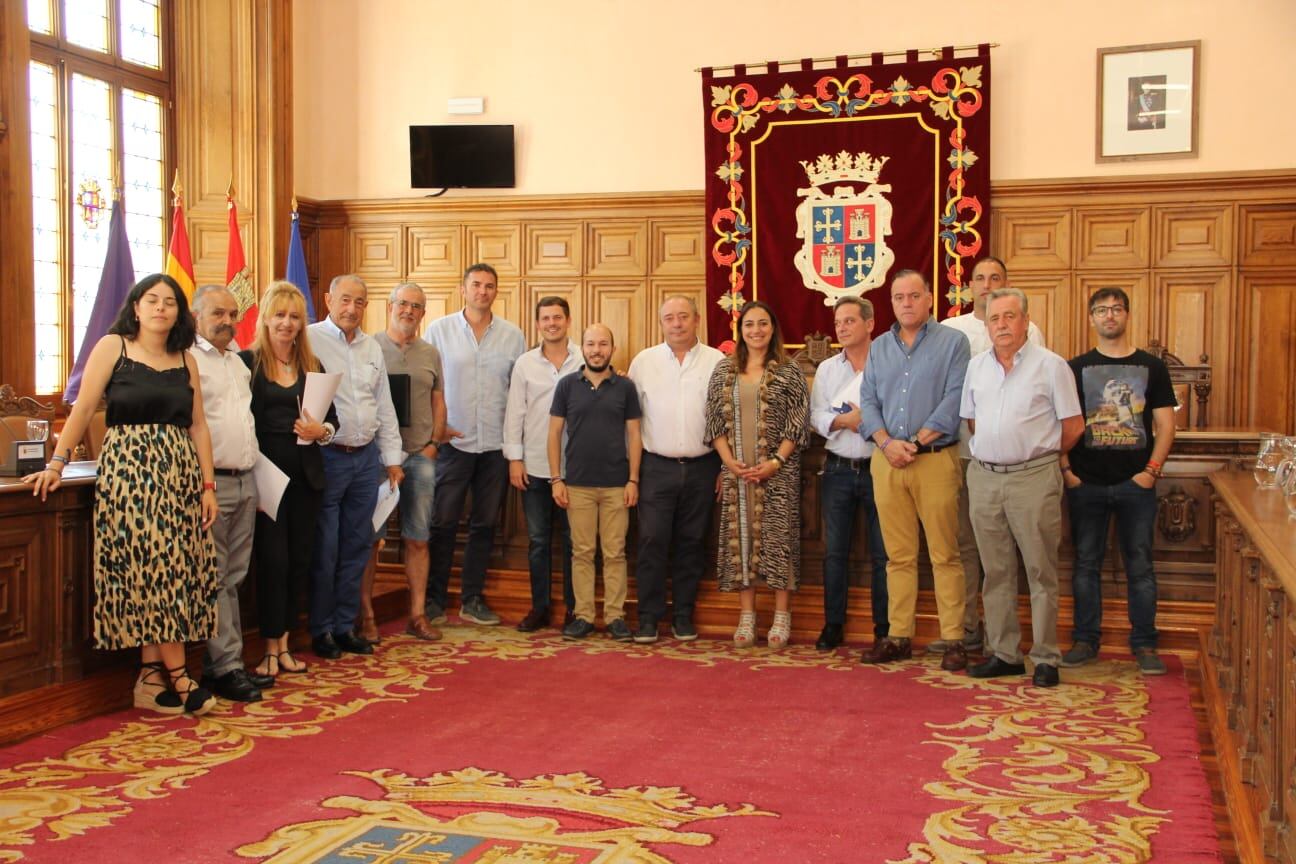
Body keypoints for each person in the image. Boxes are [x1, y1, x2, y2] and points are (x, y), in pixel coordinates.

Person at [25, 274, 219, 715]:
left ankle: (149, 679)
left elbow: (198, 426)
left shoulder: (186, 359)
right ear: (136, 307)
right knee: (156, 570)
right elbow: (82, 408)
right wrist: (56, 463)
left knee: (171, 570)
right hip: (130, 472)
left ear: (179, 312)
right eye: (151, 300)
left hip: (179, 473)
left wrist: (208, 486)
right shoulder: (113, 347)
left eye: (169, 302)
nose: (160, 308)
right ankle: (181, 677)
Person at [962, 289, 1083, 688]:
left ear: (1026, 321)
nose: (1001, 325)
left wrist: (1038, 454)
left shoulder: (1052, 366)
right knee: (995, 571)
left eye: (1009, 317)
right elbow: (973, 422)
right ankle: (1005, 654)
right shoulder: (976, 367)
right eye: (994, 318)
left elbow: (1073, 426)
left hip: (1034, 477)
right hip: (984, 477)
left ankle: (1046, 657)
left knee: (1039, 569)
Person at [1061, 287, 1176, 675]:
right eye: (1101, 310)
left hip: (1136, 484)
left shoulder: (1152, 367)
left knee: (1140, 566)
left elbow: (1166, 425)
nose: (1109, 316)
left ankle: (1144, 643)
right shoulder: (1074, 368)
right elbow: (1061, 425)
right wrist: (1067, 472)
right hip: (1086, 483)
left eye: (1116, 309)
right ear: (1091, 318)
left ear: (1127, 315)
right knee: (1085, 564)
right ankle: (1084, 640)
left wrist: (1151, 472)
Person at [859, 270, 970, 670]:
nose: (906, 303)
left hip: (935, 459)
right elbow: (868, 401)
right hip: (887, 461)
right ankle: (899, 636)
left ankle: (954, 639)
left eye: (913, 295)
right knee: (898, 556)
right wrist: (887, 443)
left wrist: (916, 443)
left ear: (929, 299)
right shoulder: (878, 347)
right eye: (898, 297)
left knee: (945, 554)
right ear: (891, 302)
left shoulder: (953, 343)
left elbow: (955, 399)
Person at [940, 256, 1045, 656]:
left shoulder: (1030, 331)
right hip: (965, 455)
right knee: (966, 545)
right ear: (968, 287)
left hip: (1018, 463)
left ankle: (1005, 637)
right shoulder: (952, 330)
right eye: (980, 278)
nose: (987, 284)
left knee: (1008, 551)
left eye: (995, 278)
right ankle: (968, 626)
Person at [241, 281, 337, 677]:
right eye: (279, 315)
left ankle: (285, 645)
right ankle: (268, 647)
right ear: (265, 318)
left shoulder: (313, 366)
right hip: (266, 477)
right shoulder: (247, 364)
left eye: (294, 316)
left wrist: (321, 431)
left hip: (306, 477)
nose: (287, 323)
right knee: (273, 563)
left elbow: (333, 422)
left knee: (299, 561)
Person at [307, 274, 404, 659]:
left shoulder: (371, 346)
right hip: (328, 457)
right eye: (345, 300)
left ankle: (345, 627)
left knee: (357, 546)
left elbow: (384, 405)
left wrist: (392, 459)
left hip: (366, 460)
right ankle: (321, 629)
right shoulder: (309, 339)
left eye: (360, 302)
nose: (352, 308)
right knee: (326, 548)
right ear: (328, 299)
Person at [423, 263, 526, 625]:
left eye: (489, 286)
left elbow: (520, 391)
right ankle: (434, 599)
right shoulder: (439, 330)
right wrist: (435, 429)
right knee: (443, 522)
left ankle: (472, 599)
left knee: (485, 525)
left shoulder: (513, 336)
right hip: (453, 442)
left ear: (496, 291)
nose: (483, 291)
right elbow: (426, 385)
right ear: (463, 289)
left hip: (496, 445)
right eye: (476, 285)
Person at [704, 301, 810, 649]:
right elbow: (713, 422)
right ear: (741, 330)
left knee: (779, 541)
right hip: (737, 471)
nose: (756, 330)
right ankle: (747, 616)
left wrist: (776, 461)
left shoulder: (789, 371)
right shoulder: (724, 370)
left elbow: (798, 423)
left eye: (763, 323)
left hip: (778, 471)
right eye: (749, 324)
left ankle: (781, 616)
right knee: (741, 542)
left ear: (773, 328)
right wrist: (729, 462)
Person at [190, 285, 273, 703]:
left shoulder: (237, 362)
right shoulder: (187, 360)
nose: (227, 321)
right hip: (212, 483)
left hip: (245, 478)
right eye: (217, 313)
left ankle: (226, 662)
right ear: (196, 317)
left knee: (234, 577)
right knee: (216, 576)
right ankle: (226, 667)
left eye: (232, 314)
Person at [628, 295, 724, 643]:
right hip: (656, 467)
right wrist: (632, 474)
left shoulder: (717, 362)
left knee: (692, 542)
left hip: (704, 466)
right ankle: (649, 617)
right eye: (669, 318)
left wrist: (725, 467)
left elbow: (726, 418)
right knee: (651, 540)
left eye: (683, 316)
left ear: (697, 319)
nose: (677, 323)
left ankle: (684, 615)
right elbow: (631, 422)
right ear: (661, 323)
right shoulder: (644, 362)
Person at [548, 324, 642, 641]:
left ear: (612, 349)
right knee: (582, 553)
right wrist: (556, 479)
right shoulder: (566, 386)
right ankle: (584, 616)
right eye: (590, 344)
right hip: (577, 484)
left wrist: (633, 479)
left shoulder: (625, 388)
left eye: (603, 344)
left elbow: (634, 435)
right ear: (583, 349)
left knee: (615, 553)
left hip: (617, 484)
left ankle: (615, 617)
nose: (596, 350)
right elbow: (553, 434)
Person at [374, 282, 454, 641]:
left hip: (419, 457)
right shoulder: (370, 347)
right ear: (390, 306)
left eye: (417, 306)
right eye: (403, 303)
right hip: (377, 459)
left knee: (418, 537)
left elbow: (438, 401)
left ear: (423, 313)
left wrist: (434, 444)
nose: (409, 310)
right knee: (370, 539)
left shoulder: (430, 353)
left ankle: (418, 615)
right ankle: (365, 617)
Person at [809, 296, 888, 651]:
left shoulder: (887, 363)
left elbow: (895, 412)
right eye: (838, 322)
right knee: (834, 551)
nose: (841, 328)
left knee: (883, 553)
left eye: (849, 321)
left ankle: (885, 627)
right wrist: (846, 421)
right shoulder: (828, 369)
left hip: (880, 467)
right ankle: (833, 624)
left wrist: (867, 422)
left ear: (869, 324)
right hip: (838, 468)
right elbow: (817, 417)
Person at [503, 295, 580, 632]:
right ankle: (540, 608)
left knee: (575, 543)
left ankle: (576, 610)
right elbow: (515, 413)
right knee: (537, 541)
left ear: (568, 321)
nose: (552, 323)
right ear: (537, 324)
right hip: (534, 465)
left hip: (575, 467)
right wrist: (514, 459)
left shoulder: (584, 359)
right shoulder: (525, 364)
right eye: (546, 318)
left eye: (557, 317)